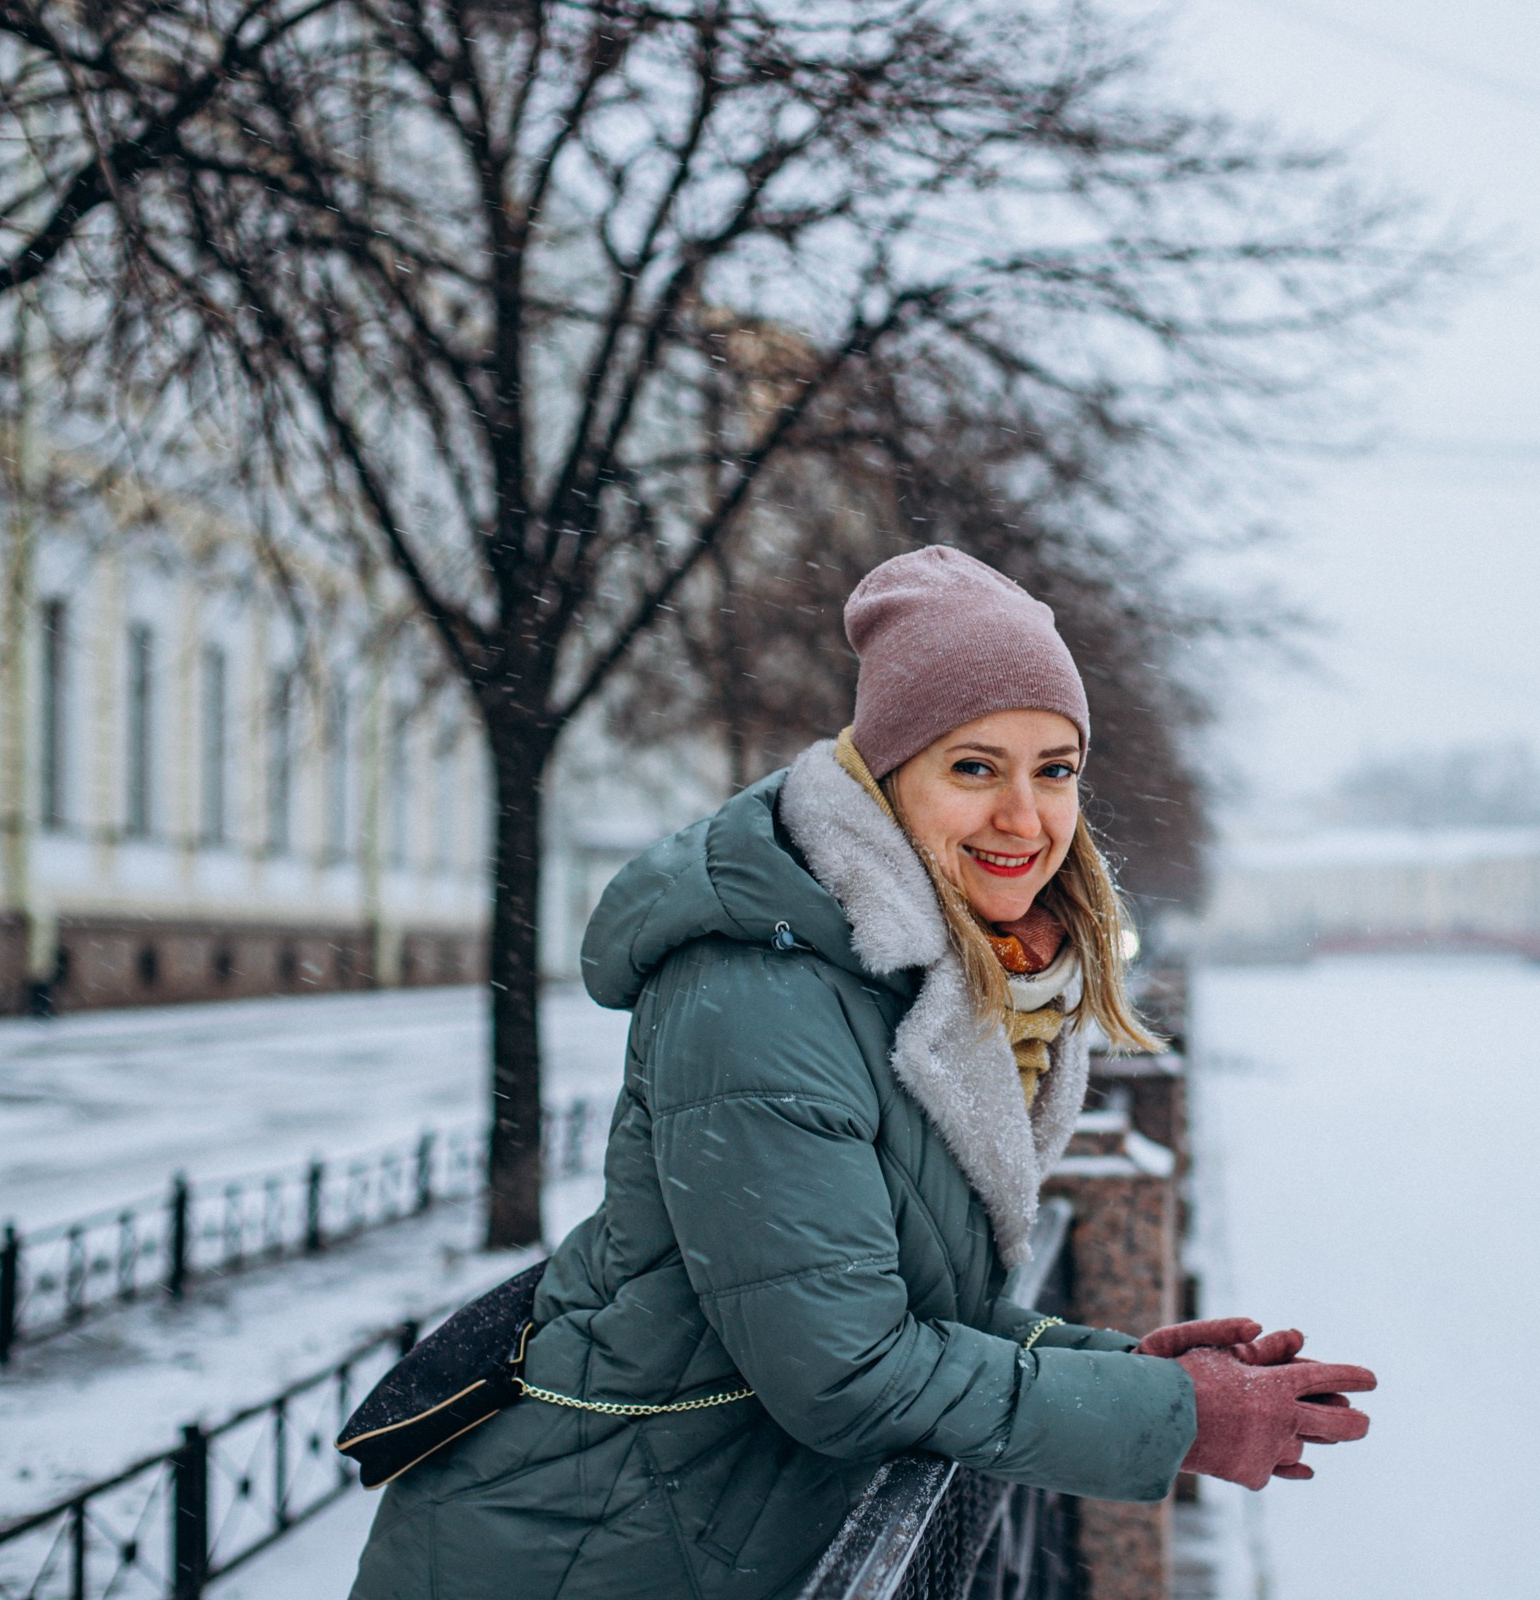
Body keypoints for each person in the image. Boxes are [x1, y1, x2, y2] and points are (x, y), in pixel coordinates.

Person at [348, 547, 1375, 1600]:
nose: (1026, 818)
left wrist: (1128, 1368)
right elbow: (846, 1370)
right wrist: (1180, 1419)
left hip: (685, 1528)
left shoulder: (919, 971)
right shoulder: (760, 995)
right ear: (887, 780)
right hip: (577, 1548)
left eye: (1054, 768)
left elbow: (893, 1298)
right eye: (975, 766)